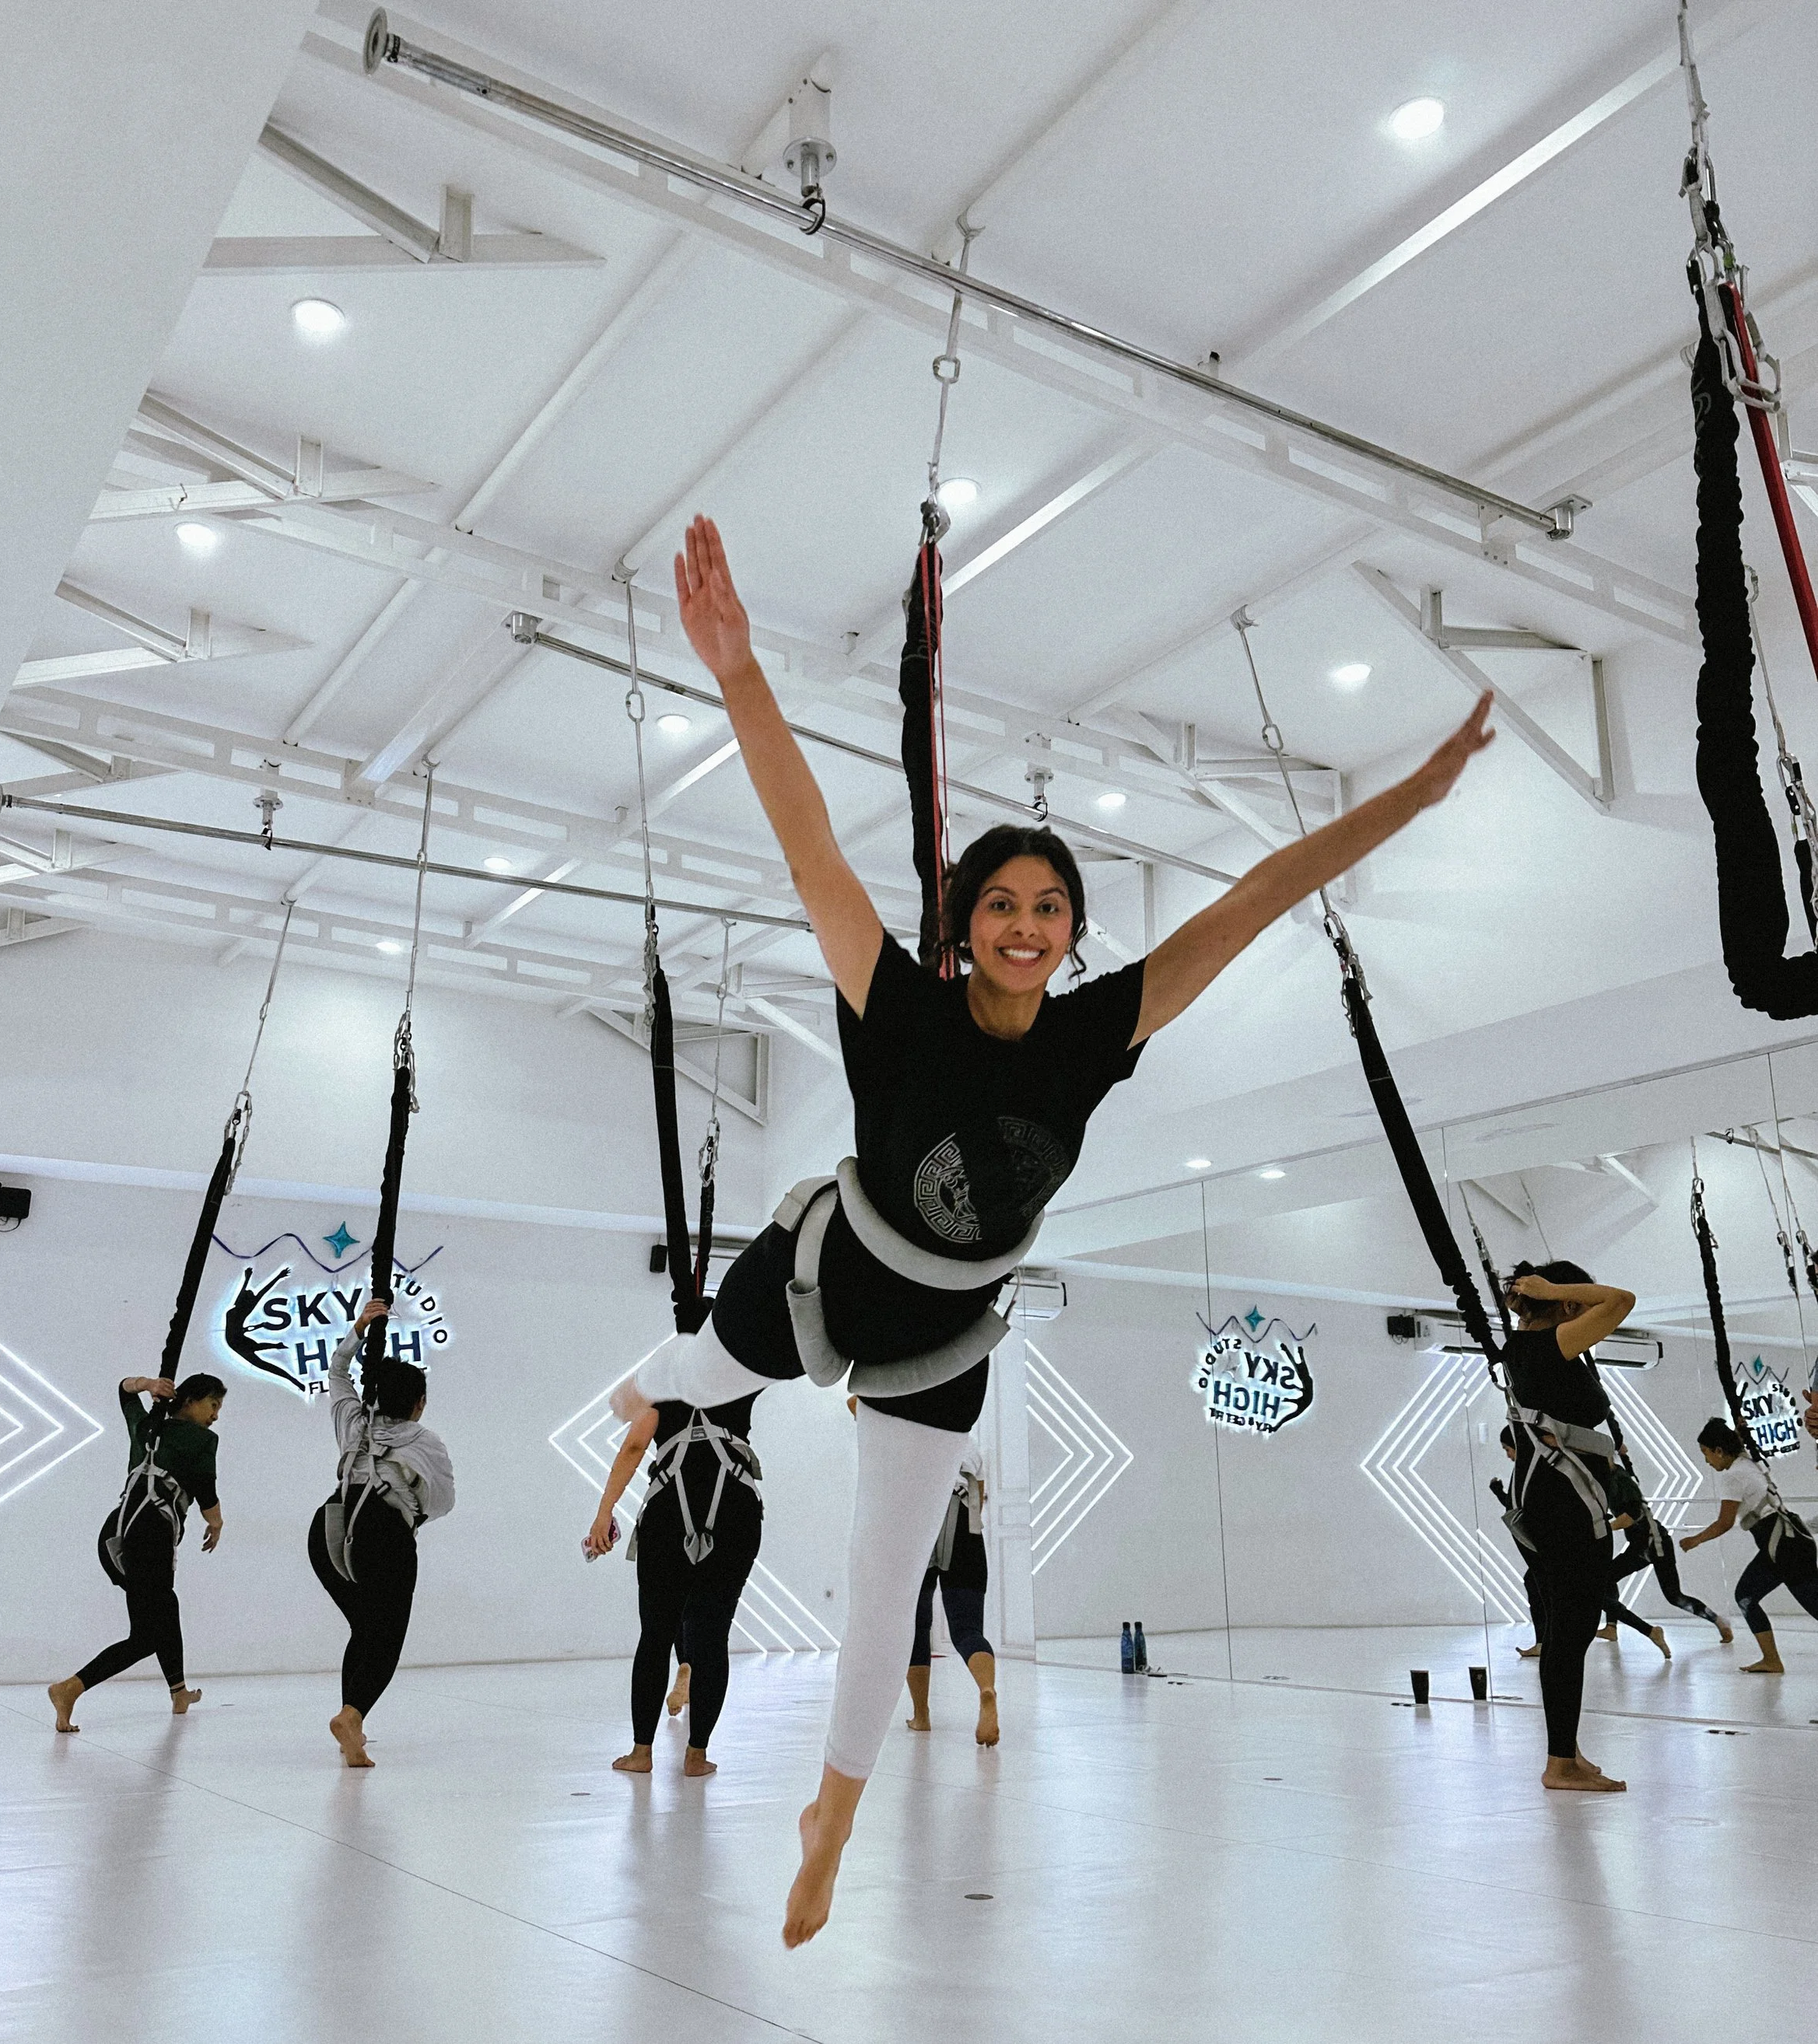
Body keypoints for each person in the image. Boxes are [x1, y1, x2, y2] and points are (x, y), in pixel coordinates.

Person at [605, 515, 1494, 1944]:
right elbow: (806, 837)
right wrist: (740, 673)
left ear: (1074, 929)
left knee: (888, 1581)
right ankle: (634, 1396)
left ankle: (830, 1814)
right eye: (1003, 903)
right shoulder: (896, 1005)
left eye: (1051, 905)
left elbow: (1264, 895)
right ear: (964, 924)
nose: (1028, 923)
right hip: (831, 1272)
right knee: (702, 1365)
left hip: (948, 1328)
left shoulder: (1097, 1030)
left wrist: (1417, 791)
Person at [1501, 1262, 1638, 1792]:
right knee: (1571, 1628)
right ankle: (1559, 1762)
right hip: (1562, 1499)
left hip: (1560, 1497)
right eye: (1574, 1303)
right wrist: (1557, 1292)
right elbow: (1621, 1299)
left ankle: (1566, 1750)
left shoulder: (1534, 1350)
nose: (1584, 1309)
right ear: (1562, 1306)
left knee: (1570, 1628)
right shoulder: (1544, 1346)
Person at [586, 1385, 763, 1778]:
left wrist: (604, 1512)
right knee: (712, 1637)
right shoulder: (739, 1377)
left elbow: (635, 1447)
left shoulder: (664, 1384)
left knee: (655, 1635)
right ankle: (696, 1756)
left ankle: (641, 1753)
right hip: (736, 1510)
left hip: (668, 1512)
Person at [307, 1298, 454, 1767]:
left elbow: (336, 1372)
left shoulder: (353, 1421)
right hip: (384, 1533)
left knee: (364, 1628)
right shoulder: (424, 1440)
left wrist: (360, 1328)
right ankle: (352, 1715)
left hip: (328, 1526)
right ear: (418, 1404)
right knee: (387, 1637)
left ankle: (354, 1728)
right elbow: (442, 1503)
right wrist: (411, 1511)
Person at [48, 1373, 227, 1731]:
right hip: (149, 1538)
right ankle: (69, 1688)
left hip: (116, 1535)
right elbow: (205, 1491)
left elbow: (122, 1391)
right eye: (213, 1405)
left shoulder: (147, 1426)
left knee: (163, 1609)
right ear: (190, 1401)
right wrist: (217, 1523)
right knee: (147, 1635)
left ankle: (178, 1691)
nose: (216, 1415)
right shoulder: (201, 1439)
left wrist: (146, 1384)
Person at [1681, 1416, 1818, 1674]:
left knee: (1754, 1597)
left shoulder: (1734, 1476)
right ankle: (1771, 1660)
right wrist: (1739, 1429)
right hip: (1789, 1543)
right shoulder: (1747, 1461)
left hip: (1784, 1548)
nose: (1707, 1461)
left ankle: (1772, 1660)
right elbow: (1740, 1441)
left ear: (1719, 1451)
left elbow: (1724, 1523)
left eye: (1706, 1453)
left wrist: (1694, 1540)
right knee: (1747, 1595)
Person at [905, 1440, 997, 1746]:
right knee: (967, 1629)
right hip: (965, 1528)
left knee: (917, 1628)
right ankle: (986, 1689)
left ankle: (921, 1716)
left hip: (919, 1523)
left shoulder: (908, 1432)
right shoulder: (968, 1446)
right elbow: (978, 1499)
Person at [1596, 1455, 1730, 1649]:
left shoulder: (1620, 1480)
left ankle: (1717, 1621)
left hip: (1654, 1543)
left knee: (1674, 1596)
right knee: (1607, 1577)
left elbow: (1632, 1516)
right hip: (1641, 1544)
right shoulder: (1610, 1481)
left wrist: (1604, 1529)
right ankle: (1611, 1627)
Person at [1489, 1424, 1546, 1659]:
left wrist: (1500, 1494)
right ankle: (1543, 1641)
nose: (1508, 1455)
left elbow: (1521, 1507)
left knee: (1540, 1587)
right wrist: (1500, 1493)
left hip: (1542, 1549)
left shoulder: (1528, 1472)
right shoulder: (1527, 1470)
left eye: (1507, 1449)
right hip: (1539, 1548)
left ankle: (1545, 1642)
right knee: (1535, 1585)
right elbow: (1516, 1505)